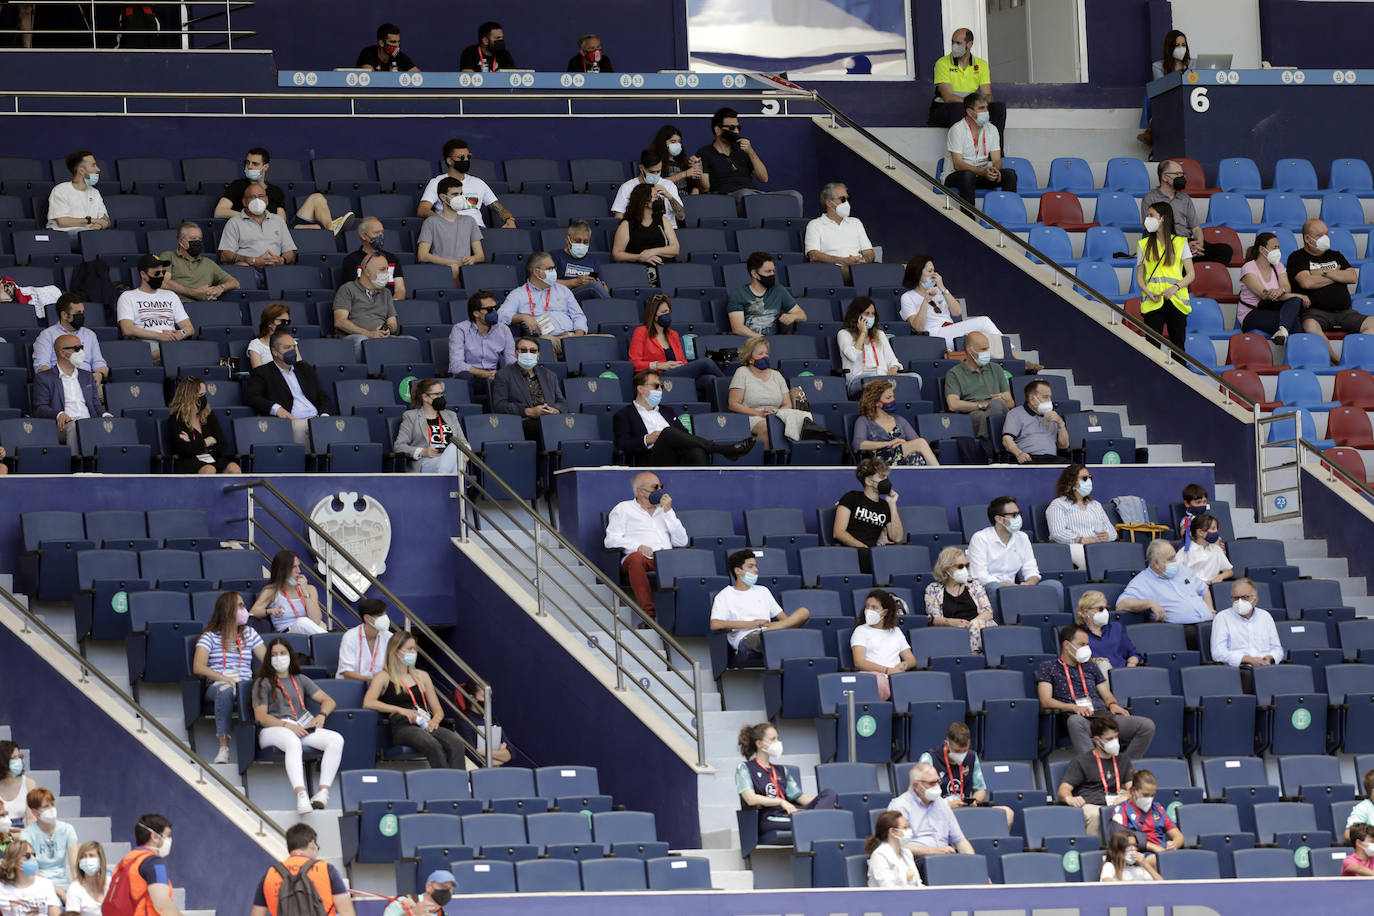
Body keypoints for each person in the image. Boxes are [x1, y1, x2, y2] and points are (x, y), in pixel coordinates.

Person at [251, 639, 344, 815]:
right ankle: (301, 795)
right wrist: (287, 726)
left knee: (336, 739)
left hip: (299, 725)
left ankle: (322, 793)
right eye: (274, 654)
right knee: (292, 741)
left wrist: (321, 716)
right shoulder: (262, 682)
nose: (279, 658)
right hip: (272, 729)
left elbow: (329, 701)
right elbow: (261, 717)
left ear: (290, 656)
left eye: (282, 653)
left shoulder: (300, 679)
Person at [1037, 627, 1155, 762]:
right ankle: (1095, 767)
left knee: (1146, 726)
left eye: (1087, 645)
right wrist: (1073, 708)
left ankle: (1125, 767)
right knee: (1075, 721)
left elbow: (1106, 694)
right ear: (1066, 645)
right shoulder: (1048, 667)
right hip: (1079, 718)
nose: (1086, 648)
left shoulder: (1091, 666)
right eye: (1082, 645)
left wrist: (1113, 704)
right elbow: (1046, 701)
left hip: (1102, 716)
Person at [363, 632, 466, 769]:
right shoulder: (383, 676)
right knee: (431, 744)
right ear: (396, 651)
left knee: (456, 742)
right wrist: (402, 711)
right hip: (403, 726)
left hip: (426, 723)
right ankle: (444, 784)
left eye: (415, 649)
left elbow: (438, 709)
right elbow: (368, 702)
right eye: (409, 649)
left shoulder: (423, 676)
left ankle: (458, 785)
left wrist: (435, 721)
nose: (414, 652)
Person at [612, 369, 755, 466]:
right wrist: (647, 439)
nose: (660, 390)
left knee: (697, 450)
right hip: (651, 458)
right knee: (667, 432)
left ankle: (703, 490)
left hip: (678, 455)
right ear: (640, 389)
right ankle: (722, 449)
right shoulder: (624, 415)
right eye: (656, 386)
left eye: (662, 386)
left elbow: (684, 436)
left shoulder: (668, 411)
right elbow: (622, 445)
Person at [192, 591, 265, 765]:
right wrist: (225, 678)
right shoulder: (209, 636)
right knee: (224, 690)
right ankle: (224, 746)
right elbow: (198, 667)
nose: (244, 610)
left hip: (244, 685)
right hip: (218, 684)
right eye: (240, 606)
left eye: (243, 606)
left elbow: (267, 659)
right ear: (227, 610)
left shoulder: (249, 633)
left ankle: (259, 744)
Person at [604, 472, 688, 620]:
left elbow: (682, 542)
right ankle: (648, 615)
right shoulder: (623, 508)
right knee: (637, 559)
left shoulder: (665, 510)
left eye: (662, 486)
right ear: (640, 491)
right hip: (640, 558)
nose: (660, 491)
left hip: (665, 558)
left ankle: (688, 615)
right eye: (655, 487)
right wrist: (638, 546)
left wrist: (668, 513)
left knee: (694, 560)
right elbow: (610, 540)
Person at [734, 723, 837, 843]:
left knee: (829, 794)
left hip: (792, 813)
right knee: (807, 821)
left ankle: (814, 819)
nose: (778, 742)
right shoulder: (745, 768)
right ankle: (815, 821)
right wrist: (781, 802)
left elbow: (801, 798)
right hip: (771, 817)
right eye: (773, 739)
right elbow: (750, 799)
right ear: (759, 744)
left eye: (778, 738)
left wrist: (825, 804)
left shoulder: (782, 770)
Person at [214, 148, 352, 236]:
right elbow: (219, 212)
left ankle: (330, 227)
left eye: (255, 164)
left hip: (278, 227)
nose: (249, 166)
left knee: (317, 199)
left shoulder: (275, 191)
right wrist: (250, 217)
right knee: (315, 228)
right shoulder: (237, 185)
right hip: (253, 230)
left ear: (265, 167)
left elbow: (282, 221)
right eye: (247, 163)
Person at [1289, 218, 1374, 361]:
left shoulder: (1335, 255)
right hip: (1316, 312)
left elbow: (1352, 277)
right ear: (1307, 238)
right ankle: (1336, 360)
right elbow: (1307, 283)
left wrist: (1323, 273)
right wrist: (1337, 275)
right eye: (1319, 235)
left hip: (1345, 312)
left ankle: (1351, 357)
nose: (1325, 238)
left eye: (1326, 234)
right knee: (1310, 326)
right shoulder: (1297, 257)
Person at [898, 255, 1012, 358]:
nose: (934, 275)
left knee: (985, 335)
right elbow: (917, 327)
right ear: (918, 273)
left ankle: (1009, 355)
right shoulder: (907, 297)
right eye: (930, 271)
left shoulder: (938, 291)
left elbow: (957, 312)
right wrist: (925, 300)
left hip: (951, 329)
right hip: (934, 335)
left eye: (934, 270)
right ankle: (1011, 354)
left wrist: (942, 288)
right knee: (984, 322)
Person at [710, 549, 809, 668]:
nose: (756, 570)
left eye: (756, 566)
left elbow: (785, 620)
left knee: (804, 612)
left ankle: (770, 631)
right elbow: (715, 624)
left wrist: (770, 627)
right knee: (769, 636)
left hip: (771, 632)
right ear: (738, 571)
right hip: (747, 639)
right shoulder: (724, 595)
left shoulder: (763, 591)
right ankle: (769, 632)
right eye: (750, 566)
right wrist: (752, 625)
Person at [694, 107, 804, 215]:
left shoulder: (742, 150)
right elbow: (705, 187)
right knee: (746, 194)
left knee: (794, 196)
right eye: (732, 128)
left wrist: (750, 151)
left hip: (753, 193)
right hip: (728, 198)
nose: (736, 131)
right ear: (718, 130)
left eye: (738, 127)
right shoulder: (705, 152)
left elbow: (764, 178)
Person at [917, 721, 1015, 830]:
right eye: (957, 751)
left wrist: (975, 801)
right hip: (941, 813)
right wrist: (946, 806)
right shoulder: (929, 758)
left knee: (1007, 813)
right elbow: (920, 795)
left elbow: (980, 789)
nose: (961, 755)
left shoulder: (972, 757)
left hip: (967, 810)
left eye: (964, 751)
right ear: (946, 744)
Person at [967, 496, 1060, 604]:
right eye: (1014, 515)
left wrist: (1029, 583)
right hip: (987, 590)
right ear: (999, 519)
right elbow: (980, 577)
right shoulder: (980, 538)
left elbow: (1031, 570)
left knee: (1055, 586)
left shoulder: (1022, 537)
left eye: (1019, 514)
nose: (1019, 518)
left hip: (1015, 588)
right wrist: (1008, 586)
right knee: (993, 587)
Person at [245, 331, 333, 444]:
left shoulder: (305, 368)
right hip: (294, 422)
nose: (292, 351)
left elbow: (323, 396)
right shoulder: (263, 372)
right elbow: (252, 397)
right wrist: (277, 409)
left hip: (318, 419)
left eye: (293, 347)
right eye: (287, 347)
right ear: (275, 352)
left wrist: (324, 417)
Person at [628, 294, 724, 398]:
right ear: (654, 315)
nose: (667, 315)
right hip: (657, 377)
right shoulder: (641, 332)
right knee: (706, 362)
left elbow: (683, 361)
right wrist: (659, 365)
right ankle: (731, 386)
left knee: (710, 380)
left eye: (668, 312)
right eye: (663, 312)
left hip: (678, 374)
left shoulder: (673, 334)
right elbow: (634, 363)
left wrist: (681, 366)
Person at [1056, 714, 1135, 836]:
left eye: (1116, 737)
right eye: (1109, 739)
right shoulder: (1082, 761)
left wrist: (1126, 796)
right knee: (1096, 815)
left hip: (1117, 803)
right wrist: (1070, 799)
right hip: (1092, 805)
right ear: (1097, 740)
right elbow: (1063, 789)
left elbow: (1133, 788)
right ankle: (1096, 851)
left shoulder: (1123, 759)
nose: (1115, 742)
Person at [250, 823, 354, 916]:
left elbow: (257, 913)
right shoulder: (327, 870)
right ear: (312, 844)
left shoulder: (270, 874)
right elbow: (346, 911)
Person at [495, 254, 589, 357]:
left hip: (573, 336)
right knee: (546, 342)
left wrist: (579, 334)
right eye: (550, 269)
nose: (554, 272)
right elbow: (500, 315)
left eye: (554, 268)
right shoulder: (519, 294)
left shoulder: (562, 290)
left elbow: (578, 315)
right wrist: (523, 317)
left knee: (608, 339)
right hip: (549, 338)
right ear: (536, 272)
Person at [1140, 161, 1231, 265]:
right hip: (1166, 244)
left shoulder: (1185, 198)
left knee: (1225, 250)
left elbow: (1196, 228)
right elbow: (1151, 230)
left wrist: (1199, 244)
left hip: (1187, 242)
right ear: (1165, 177)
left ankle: (1192, 263)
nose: (1182, 177)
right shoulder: (1150, 198)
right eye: (1177, 174)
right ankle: (1187, 264)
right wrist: (1182, 246)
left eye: (1182, 174)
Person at [727, 335, 807, 449]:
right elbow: (733, 404)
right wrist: (760, 414)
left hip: (776, 415)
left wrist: (775, 413)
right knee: (767, 426)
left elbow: (787, 404)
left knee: (800, 424)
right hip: (751, 416)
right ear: (750, 358)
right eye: (760, 354)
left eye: (766, 353)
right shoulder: (742, 373)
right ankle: (766, 462)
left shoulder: (776, 375)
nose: (765, 356)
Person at [31, 334, 109, 449]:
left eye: (82, 348)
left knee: (112, 424)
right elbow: (40, 408)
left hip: (89, 422)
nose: (81, 352)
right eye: (77, 349)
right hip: (64, 425)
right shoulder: (44, 378)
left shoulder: (87, 376)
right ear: (62, 353)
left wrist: (105, 414)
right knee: (73, 428)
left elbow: (96, 405)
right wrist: (58, 414)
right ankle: (76, 462)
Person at [417, 139, 515, 228]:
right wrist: (440, 221)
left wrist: (509, 219)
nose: (466, 160)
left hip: (478, 230)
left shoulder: (478, 183)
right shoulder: (437, 182)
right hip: (451, 229)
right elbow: (423, 209)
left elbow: (499, 208)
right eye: (462, 157)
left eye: (468, 156)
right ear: (450, 161)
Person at [1135, 200, 1195, 346]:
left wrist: (1175, 287)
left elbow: (1191, 274)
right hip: (1153, 299)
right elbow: (1140, 275)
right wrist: (1147, 292)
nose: (1147, 218)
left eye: (1151, 215)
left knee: (1178, 346)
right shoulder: (1143, 244)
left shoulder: (1181, 242)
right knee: (1152, 346)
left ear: (1163, 218)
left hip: (1176, 299)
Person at [943, 92, 1016, 207]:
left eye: (987, 108)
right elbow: (958, 164)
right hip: (956, 176)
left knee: (1009, 174)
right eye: (981, 108)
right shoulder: (957, 129)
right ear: (969, 112)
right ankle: (968, 219)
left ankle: (1008, 213)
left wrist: (994, 170)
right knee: (967, 175)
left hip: (981, 175)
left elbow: (997, 160)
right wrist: (983, 172)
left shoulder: (992, 129)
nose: (986, 112)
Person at [832, 458, 905, 572]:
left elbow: (897, 537)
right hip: (850, 553)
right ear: (869, 481)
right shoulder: (851, 497)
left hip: (873, 556)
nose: (886, 481)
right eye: (882, 477)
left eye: (886, 477)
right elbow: (838, 532)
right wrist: (865, 549)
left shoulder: (885, 505)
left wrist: (892, 504)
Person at [1117, 539, 1214, 626]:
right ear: (1156, 563)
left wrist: (1212, 611)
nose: (1175, 561)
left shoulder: (1183, 570)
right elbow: (1122, 604)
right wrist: (1150, 603)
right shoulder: (1142, 581)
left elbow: (1204, 590)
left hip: (1209, 622)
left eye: (1174, 557)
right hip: (1182, 630)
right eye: (1170, 559)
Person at [929, 28, 1006, 138]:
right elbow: (948, 97)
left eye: (958, 43)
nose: (954, 46)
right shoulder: (942, 63)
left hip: (969, 108)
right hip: (944, 109)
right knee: (958, 108)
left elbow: (988, 94)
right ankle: (960, 152)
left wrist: (982, 105)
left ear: (970, 44)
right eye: (953, 42)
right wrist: (973, 105)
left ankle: (996, 152)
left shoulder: (981, 65)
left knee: (998, 107)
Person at [836, 297, 920, 396]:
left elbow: (893, 361)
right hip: (858, 379)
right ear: (857, 316)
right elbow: (852, 356)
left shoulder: (880, 334)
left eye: (873, 314)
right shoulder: (844, 334)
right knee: (873, 377)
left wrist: (892, 371)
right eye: (867, 314)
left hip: (883, 377)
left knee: (915, 377)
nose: (871, 317)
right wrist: (863, 333)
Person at [886, 763, 975, 857]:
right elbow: (896, 845)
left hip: (945, 858)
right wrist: (934, 851)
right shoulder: (900, 806)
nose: (937, 786)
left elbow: (960, 841)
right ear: (916, 785)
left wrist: (974, 865)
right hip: (915, 861)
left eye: (938, 781)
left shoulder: (942, 804)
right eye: (932, 783)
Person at [490, 337, 567, 440]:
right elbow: (500, 405)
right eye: (524, 350)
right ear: (516, 353)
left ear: (538, 355)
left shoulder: (549, 375)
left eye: (533, 351)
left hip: (550, 419)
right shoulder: (503, 375)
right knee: (539, 428)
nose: (528, 353)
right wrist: (529, 411)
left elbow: (562, 402)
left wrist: (555, 410)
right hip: (524, 421)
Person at [924, 546, 997, 653]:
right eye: (960, 566)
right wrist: (950, 622)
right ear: (947, 569)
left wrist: (972, 624)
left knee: (977, 626)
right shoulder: (933, 589)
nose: (965, 570)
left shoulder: (974, 585)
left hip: (978, 629)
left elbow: (988, 612)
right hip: (951, 631)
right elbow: (934, 618)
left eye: (967, 566)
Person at [1237, 232, 1307, 343]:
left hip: (1273, 308)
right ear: (1262, 249)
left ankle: (1283, 331)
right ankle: (1294, 351)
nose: (1278, 251)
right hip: (1252, 313)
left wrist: (1281, 290)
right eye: (1275, 247)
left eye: (1278, 247)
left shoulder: (1278, 266)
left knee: (1295, 301)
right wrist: (1296, 295)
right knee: (1295, 324)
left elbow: (1286, 287)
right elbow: (1264, 295)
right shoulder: (1249, 267)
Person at [851, 379, 938, 467]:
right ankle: (940, 474)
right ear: (876, 402)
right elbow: (858, 444)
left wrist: (904, 444)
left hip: (900, 458)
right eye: (888, 398)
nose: (893, 400)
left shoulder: (900, 420)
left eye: (893, 396)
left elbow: (915, 441)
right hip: (878, 461)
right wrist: (889, 443)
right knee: (920, 443)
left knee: (915, 456)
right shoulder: (864, 420)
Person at [944, 331, 1013, 442]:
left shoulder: (996, 369)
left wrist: (1000, 401)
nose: (987, 353)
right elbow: (953, 405)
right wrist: (983, 405)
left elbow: (1010, 403)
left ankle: (987, 447)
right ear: (970, 350)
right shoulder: (954, 373)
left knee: (998, 404)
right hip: (973, 414)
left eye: (987, 349)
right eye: (983, 349)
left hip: (1000, 410)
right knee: (982, 415)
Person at [116, 255, 195, 352]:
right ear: (143, 275)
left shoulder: (171, 295)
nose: (161, 276)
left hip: (173, 342)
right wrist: (160, 336)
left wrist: (180, 334)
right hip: (146, 343)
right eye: (157, 273)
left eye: (163, 272)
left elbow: (189, 328)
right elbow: (127, 329)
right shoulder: (128, 296)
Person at [417, 178, 486, 288]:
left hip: (466, 271)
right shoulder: (431, 222)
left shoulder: (470, 221)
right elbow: (422, 255)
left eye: (461, 194)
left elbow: (480, 255)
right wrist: (451, 263)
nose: (460, 197)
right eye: (455, 194)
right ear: (443, 197)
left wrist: (472, 259)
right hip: (441, 271)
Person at [850, 589, 916, 701]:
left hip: (895, 676)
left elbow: (911, 659)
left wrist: (903, 665)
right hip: (873, 677)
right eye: (867, 606)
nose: (869, 610)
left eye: (874, 607)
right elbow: (859, 661)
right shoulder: (861, 631)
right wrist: (886, 670)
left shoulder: (896, 631)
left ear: (885, 612)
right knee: (880, 683)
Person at [333, 253, 402, 360]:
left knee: (410, 341)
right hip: (356, 338)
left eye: (387, 269)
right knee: (361, 340)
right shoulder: (347, 289)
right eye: (382, 269)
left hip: (380, 337)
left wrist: (387, 329)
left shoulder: (386, 293)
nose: (387, 274)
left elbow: (393, 324)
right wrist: (369, 334)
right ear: (367, 272)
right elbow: (340, 321)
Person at [1046, 464, 1116, 568]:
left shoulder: (1096, 505)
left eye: (1090, 478)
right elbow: (1057, 533)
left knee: (1120, 555)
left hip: (1099, 545)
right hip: (1074, 546)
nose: (1089, 481)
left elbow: (1112, 532)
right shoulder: (1058, 504)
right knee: (1092, 558)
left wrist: (1107, 536)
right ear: (1071, 483)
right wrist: (1081, 539)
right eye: (1084, 478)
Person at [166, 377, 240, 475]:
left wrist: (194, 444)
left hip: (211, 457)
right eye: (200, 395)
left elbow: (223, 444)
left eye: (204, 395)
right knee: (209, 470)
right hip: (188, 461)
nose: (203, 398)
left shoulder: (208, 414)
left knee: (234, 468)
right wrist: (208, 441)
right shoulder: (176, 419)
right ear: (189, 397)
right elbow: (184, 450)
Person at [217, 183, 299, 270]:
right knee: (242, 266)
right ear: (244, 202)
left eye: (261, 196)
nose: (257, 200)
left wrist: (281, 260)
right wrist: (253, 260)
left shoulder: (278, 221)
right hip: (250, 270)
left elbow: (289, 252)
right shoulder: (234, 223)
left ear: (266, 200)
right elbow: (225, 255)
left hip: (275, 269)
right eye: (252, 197)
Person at [1209, 577, 1284, 673]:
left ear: (1255, 600)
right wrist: (1248, 660)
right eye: (1236, 598)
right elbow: (1218, 653)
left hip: (1266, 668)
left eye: (1245, 597)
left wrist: (1269, 658)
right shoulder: (1222, 618)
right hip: (1238, 670)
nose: (1240, 602)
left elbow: (1277, 649)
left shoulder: (1265, 616)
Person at [394, 378, 467, 474]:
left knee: (455, 449)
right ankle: (453, 483)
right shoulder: (411, 416)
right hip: (428, 460)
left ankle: (443, 480)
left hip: (454, 459)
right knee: (455, 451)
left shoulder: (451, 415)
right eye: (437, 394)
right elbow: (399, 446)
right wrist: (423, 452)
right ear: (425, 397)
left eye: (442, 393)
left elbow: (463, 441)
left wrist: (465, 452)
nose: (441, 397)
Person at [111, 815, 178, 916]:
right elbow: (162, 904)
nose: (169, 840)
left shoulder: (126, 860)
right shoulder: (153, 863)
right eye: (167, 835)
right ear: (155, 837)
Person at [804, 183, 874, 279]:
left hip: (859, 269)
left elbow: (868, 252)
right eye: (842, 199)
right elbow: (814, 255)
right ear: (829, 203)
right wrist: (842, 261)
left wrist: (863, 260)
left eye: (848, 199)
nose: (847, 203)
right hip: (833, 271)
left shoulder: (856, 222)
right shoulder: (815, 225)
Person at [726, 252, 805, 337]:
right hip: (749, 344)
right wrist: (762, 339)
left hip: (773, 343)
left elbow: (803, 315)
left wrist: (793, 317)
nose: (772, 274)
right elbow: (737, 328)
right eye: (768, 271)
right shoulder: (739, 294)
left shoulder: (779, 290)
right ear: (755, 274)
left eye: (773, 271)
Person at [250, 550, 328, 636]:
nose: (298, 571)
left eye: (299, 566)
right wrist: (269, 611)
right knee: (302, 622)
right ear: (283, 570)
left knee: (303, 622)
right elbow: (253, 612)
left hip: (308, 633)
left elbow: (316, 620)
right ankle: (331, 640)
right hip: (287, 635)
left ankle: (329, 640)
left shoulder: (310, 589)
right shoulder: (272, 590)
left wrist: (305, 592)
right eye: (294, 567)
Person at [33, 294, 107, 384]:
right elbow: (42, 368)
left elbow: (99, 362)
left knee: (108, 394)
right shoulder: (47, 335)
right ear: (64, 315)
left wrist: (100, 374)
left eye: (82, 312)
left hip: (88, 383)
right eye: (78, 313)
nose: (82, 316)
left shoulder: (90, 335)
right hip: (60, 383)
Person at [159, 222, 239, 303]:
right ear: (181, 241)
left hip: (204, 307)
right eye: (193, 238)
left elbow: (235, 283)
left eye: (199, 239)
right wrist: (194, 293)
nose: (197, 242)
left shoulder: (208, 263)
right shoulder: (168, 256)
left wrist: (220, 288)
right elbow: (164, 282)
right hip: (178, 306)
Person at [448, 290, 517, 384]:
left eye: (495, 308)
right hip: (471, 376)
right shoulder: (460, 329)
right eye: (489, 309)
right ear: (476, 313)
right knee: (465, 376)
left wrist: (501, 374)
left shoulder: (503, 329)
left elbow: (511, 360)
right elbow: (456, 365)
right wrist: (484, 374)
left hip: (493, 376)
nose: (494, 312)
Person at [611, 183, 680, 276]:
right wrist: (639, 257)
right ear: (645, 201)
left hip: (666, 270)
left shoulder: (663, 220)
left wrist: (651, 252)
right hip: (640, 272)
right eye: (655, 196)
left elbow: (675, 249)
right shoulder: (626, 225)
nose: (658, 199)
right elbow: (616, 254)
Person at [18, 790, 75, 903]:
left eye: (52, 804)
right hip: (39, 886)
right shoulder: (27, 835)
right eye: (46, 806)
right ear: (34, 812)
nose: (51, 809)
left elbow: (75, 867)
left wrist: (76, 891)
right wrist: (61, 893)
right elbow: (34, 873)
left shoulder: (67, 829)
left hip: (64, 883)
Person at [1137, 30, 1190, 147]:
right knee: (1151, 95)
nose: (1181, 48)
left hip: (1189, 101)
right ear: (1169, 47)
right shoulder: (1158, 66)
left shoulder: (1192, 65)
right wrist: (1177, 66)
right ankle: (1153, 128)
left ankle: (1151, 129)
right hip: (1168, 101)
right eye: (1177, 45)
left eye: (1184, 45)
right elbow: (1161, 87)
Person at [1110, 770, 1184, 853]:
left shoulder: (1158, 809)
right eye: (1145, 795)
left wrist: (1174, 844)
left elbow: (1178, 836)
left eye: (1152, 795)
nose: (1149, 799)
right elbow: (1120, 839)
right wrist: (1152, 847)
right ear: (1133, 790)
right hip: (1138, 854)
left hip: (1162, 852)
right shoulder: (1121, 809)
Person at [612, 150, 686, 229]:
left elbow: (681, 217)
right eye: (652, 172)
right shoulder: (627, 187)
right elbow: (619, 217)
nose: (655, 175)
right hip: (638, 232)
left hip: (668, 231)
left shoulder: (669, 185)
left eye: (658, 171)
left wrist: (669, 196)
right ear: (641, 167)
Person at [1002, 379, 1068, 465]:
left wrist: (1060, 423)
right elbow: (1006, 440)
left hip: (1052, 459)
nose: (1049, 401)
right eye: (1045, 397)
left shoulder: (1053, 416)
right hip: (1030, 458)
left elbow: (1064, 446)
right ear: (1032, 399)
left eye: (1050, 397)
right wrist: (1019, 454)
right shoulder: (1015, 414)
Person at [342, 218, 407, 301]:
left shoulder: (392, 258)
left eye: (382, 232)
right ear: (363, 236)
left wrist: (390, 306)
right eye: (376, 232)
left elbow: (400, 290)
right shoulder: (351, 260)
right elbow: (351, 292)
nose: (380, 236)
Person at [1076, 590, 1140, 672]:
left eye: (1106, 608)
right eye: (1101, 609)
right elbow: (1077, 660)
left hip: (1123, 673)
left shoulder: (1116, 627)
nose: (1105, 612)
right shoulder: (1078, 633)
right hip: (1096, 677)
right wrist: (1094, 661)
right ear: (1086, 612)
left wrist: (1131, 664)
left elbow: (1133, 653)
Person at [45, 151, 108, 234]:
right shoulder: (60, 190)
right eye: (93, 165)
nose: (98, 169)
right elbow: (62, 222)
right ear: (81, 171)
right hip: (65, 236)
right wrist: (91, 220)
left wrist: (94, 229)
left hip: (91, 234)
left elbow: (105, 220)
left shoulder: (95, 192)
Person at [336, 598, 394, 683]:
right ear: (367, 618)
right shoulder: (350, 637)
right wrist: (374, 681)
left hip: (381, 686)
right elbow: (347, 673)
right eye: (380, 616)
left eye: (385, 615)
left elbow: (394, 667)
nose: (385, 619)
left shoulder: (389, 637)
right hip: (352, 684)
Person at [551, 220, 609, 302]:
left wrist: (602, 286)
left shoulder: (593, 260)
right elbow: (547, 283)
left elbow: (605, 290)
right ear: (567, 240)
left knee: (595, 286)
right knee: (593, 286)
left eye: (585, 242)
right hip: (564, 298)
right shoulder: (555, 256)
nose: (581, 244)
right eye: (578, 241)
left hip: (589, 302)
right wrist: (576, 282)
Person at [0, 840, 59, 916]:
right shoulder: (2, 888)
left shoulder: (46, 884)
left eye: (34, 854)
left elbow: (56, 913)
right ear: (14, 860)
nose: (33, 858)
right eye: (28, 856)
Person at [864, 811, 921, 888]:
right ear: (892, 832)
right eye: (905, 827)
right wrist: (905, 877)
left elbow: (918, 884)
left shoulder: (907, 853)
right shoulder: (879, 856)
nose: (909, 831)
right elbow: (886, 887)